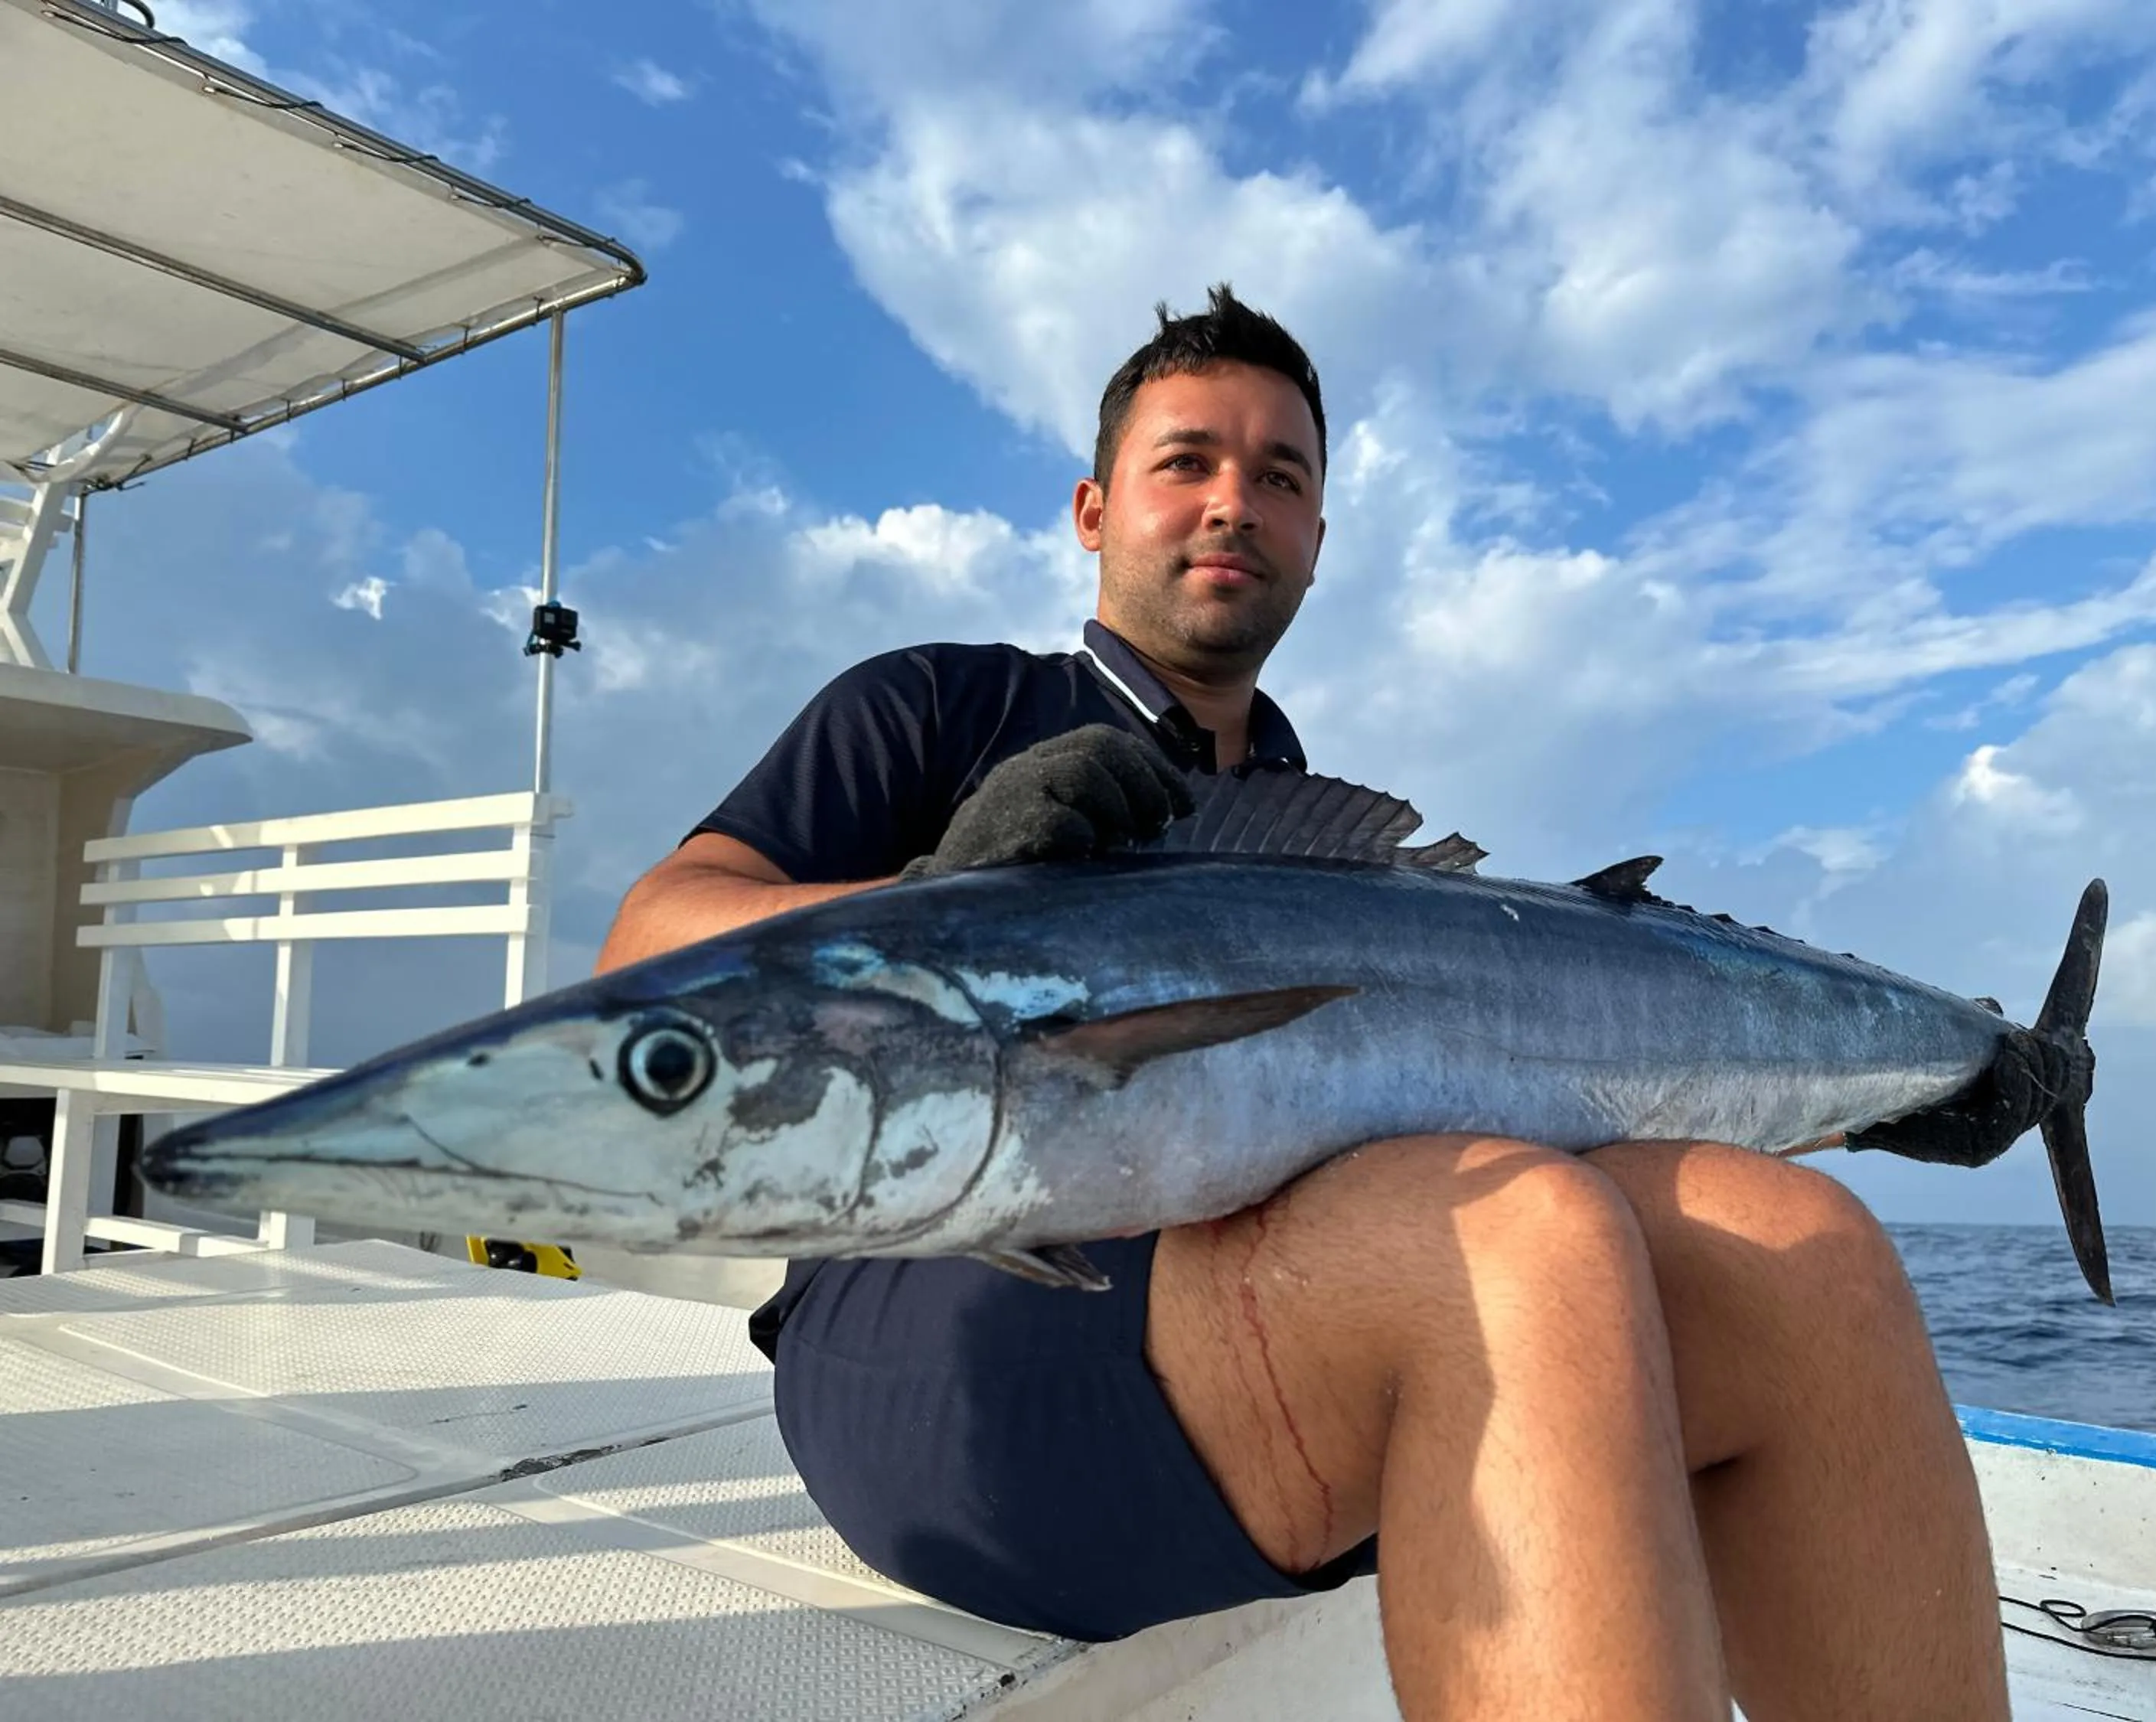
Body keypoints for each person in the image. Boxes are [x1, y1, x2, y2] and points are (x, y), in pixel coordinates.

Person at [595, 286, 2012, 1721]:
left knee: (1809, 1253)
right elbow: (645, 949)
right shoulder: (937, 708)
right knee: (1524, 1241)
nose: (1234, 502)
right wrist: (928, 889)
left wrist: (1872, 1102)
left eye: (1281, 477)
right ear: (1094, 509)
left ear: (1319, 543)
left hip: (1253, 1297)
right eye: (1188, 461)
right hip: (934, 1324)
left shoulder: (1310, 839)